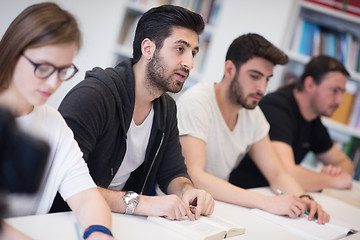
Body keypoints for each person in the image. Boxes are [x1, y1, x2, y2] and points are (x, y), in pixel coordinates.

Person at [53, 4, 214, 221]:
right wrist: (143, 203)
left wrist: (188, 191)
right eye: (180, 49)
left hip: (121, 220)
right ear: (147, 49)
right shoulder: (94, 96)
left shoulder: (166, 108)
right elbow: (64, 180)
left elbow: (173, 173)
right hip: (66, 219)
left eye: (193, 53)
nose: (189, 63)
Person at [177, 33, 329, 224]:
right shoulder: (198, 101)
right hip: (180, 210)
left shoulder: (253, 114)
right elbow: (195, 177)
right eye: (255, 76)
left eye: (267, 79)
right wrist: (268, 202)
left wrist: (304, 198)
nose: (262, 88)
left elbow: (277, 173)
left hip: (216, 209)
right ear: (230, 69)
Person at [0, 3, 114, 240]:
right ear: (13, 53)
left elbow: (85, 196)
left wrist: (99, 233)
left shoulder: (53, 122)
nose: (54, 84)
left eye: (63, 70)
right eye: (43, 68)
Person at [229, 55, 354, 192]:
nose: (340, 101)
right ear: (310, 85)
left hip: (271, 197)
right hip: (244, 194)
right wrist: (333, 180)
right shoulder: (276, 108)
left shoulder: (313, 120)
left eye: (341, 93)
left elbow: (345, 164)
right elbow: (288, 174)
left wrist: (337, 175)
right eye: (334, 91)